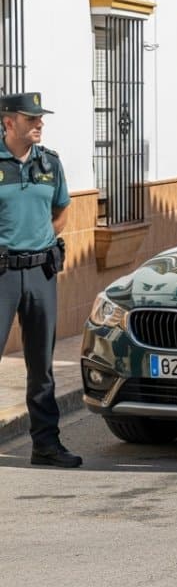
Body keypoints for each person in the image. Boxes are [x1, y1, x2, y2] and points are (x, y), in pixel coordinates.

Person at [0, 92, 81, 468]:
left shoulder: (50, 163)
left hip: (40, 272)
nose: (39, 124)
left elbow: (62, 208)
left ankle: (46, 445)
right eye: (31, 118)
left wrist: (40, 240)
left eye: (40, 118)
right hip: (1, 273)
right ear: (8, 123)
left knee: (41, 363)